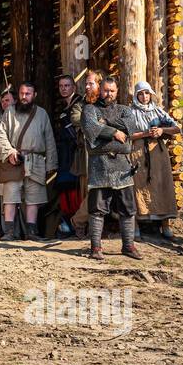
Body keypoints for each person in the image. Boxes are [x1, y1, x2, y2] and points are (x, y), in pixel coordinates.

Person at [0, 81, 58, 242]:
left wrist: (51, 164)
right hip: (14, 160)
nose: (24, 97)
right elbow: (1, 135)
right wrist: (9, 152)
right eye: (21, 94)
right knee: (10, 196)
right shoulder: (9, 113)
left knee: (33, 197)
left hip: (36, 161)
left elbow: (49, 139)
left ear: (34, 95)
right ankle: (9, 232)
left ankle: (31, 232)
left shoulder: (42, 114)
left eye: (27, 94)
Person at [80, 76, 142, 261]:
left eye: (112, 91)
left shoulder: (124, 110)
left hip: (122, 166)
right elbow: (91, 131)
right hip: (100, 166)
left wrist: (104, 125)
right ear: (100, 90)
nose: (108, 94)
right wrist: (115, 132)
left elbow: (130, 129)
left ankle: (128, 246)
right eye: (105, 90)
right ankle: (96, 248)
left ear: (117, 92)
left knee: (127, 208)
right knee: (97, 209)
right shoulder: (89, 109)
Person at [128, 81, 181, 240]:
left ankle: (165, 227)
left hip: (158, 153)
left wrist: (161, 130)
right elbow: (127, 135)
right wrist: (145, 134)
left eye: (146, 93)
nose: (144, 97)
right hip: (138, 153)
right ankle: (135, 227)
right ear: (136, 95)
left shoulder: (158, 112)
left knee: (162, 186)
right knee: (138, 187)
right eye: (141, 94)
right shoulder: (130, 113)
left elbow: (176, 128)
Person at [70, 69, 103, 238]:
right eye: (87, 83)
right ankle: (81, 222)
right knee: (89, 192)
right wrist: (99, 123)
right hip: (86, 156)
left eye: (92, 83)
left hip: (106, 155)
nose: (88, 87)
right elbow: (76, 118)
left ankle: (84, 223)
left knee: (103, 192)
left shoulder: (107, 103)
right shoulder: (79, 105)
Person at [52, 74, 83, 237]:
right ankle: (68, 223)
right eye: (61, 86)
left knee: (76, 188)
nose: (63, 88)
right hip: (64, 154)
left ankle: (77, 224)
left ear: (74, 87)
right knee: (64, 187)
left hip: (76, 153)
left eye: (67, 85)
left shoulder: (80, 104)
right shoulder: (63, 107)